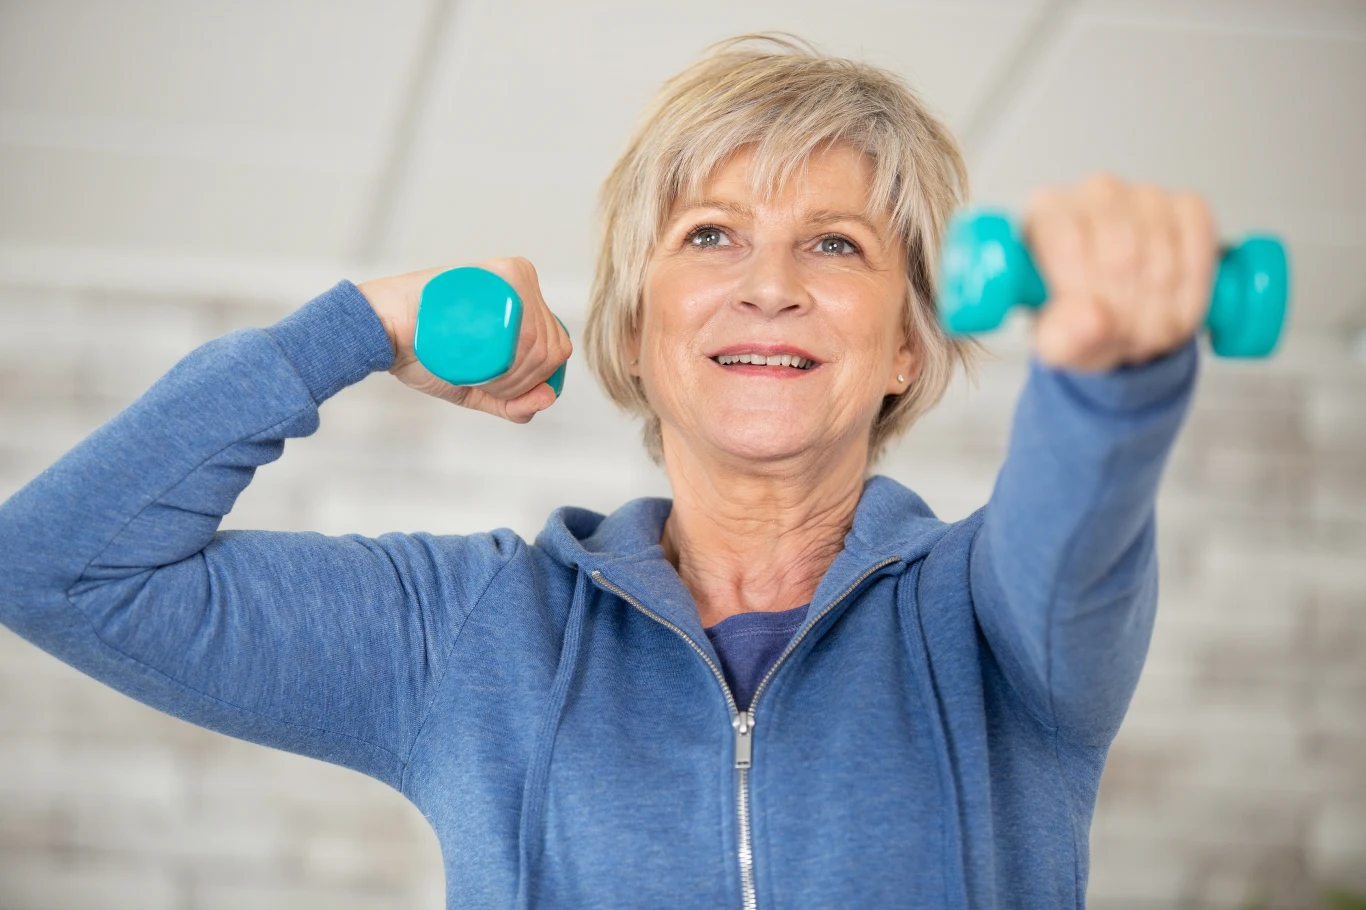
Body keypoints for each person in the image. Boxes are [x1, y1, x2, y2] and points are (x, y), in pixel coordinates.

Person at [0, 34, 1213, 910]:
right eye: (711, 234)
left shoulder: (993, 621)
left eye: (835, 244)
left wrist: (1114, 366)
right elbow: (53, 566)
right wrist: (354, 327)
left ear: (906, 343)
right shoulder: (475, 634)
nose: (771, 281)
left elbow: (1083, 502)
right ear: (635, 327)